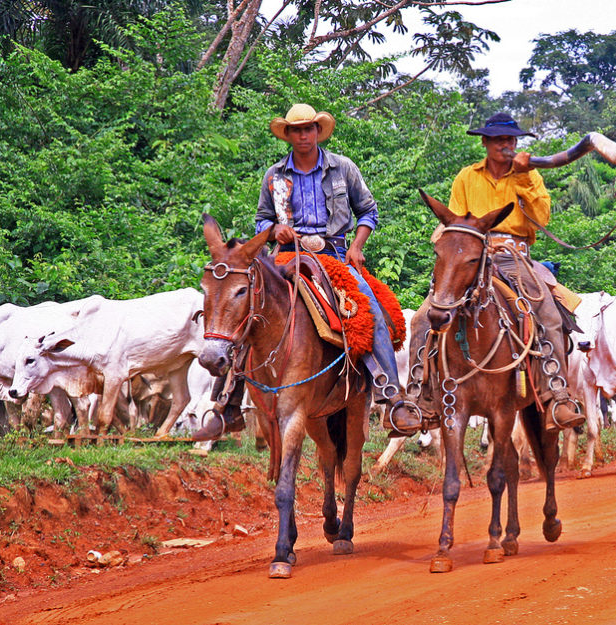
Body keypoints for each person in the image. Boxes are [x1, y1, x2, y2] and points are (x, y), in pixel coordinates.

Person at [193, 103, 405, 440]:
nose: (303, 135)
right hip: (284, 256)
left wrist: (357, 246)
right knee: (245, 308)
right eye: (296, 130)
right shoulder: (275, 175)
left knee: (371, 311)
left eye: (309, 128)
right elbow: (263, 217)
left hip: (334, 253)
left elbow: (368, 211)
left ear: (318, 132)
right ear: (288, 135)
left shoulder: (343, 168)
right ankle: (225, 406)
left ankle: (393, 397)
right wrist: (274, 230)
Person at [389, 112, 586, 433]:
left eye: (509, 140)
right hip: (470, 254)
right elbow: (453, 221)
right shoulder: (467, 176)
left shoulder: (529, 175)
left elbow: (542, 217)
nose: (504, 146)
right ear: (485, 142)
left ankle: (557, 396)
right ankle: (419, 400)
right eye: (497, 140)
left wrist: (523, 177)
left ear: (516, 143)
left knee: (549, 313)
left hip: (515, 257)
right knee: (423, 317)